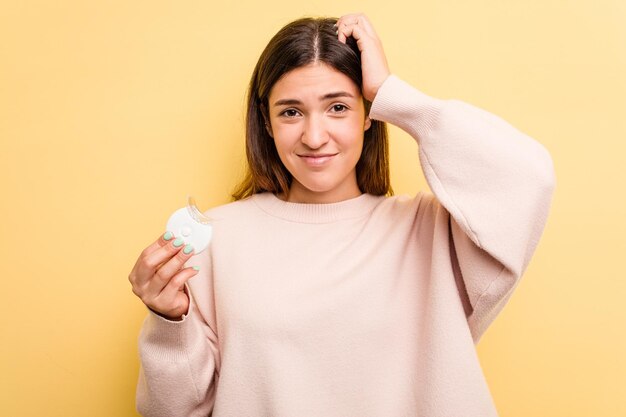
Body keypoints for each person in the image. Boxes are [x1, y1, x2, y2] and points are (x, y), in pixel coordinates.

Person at [128, 13, 555, 417]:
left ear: (369, 113)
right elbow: (172, 410)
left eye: (338, 107)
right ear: (267, 120)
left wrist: (392, 93)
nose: (315, 137)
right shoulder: (216, 240)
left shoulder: (434, 234)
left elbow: (528, 177)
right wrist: (168, 322)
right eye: (291, 112)